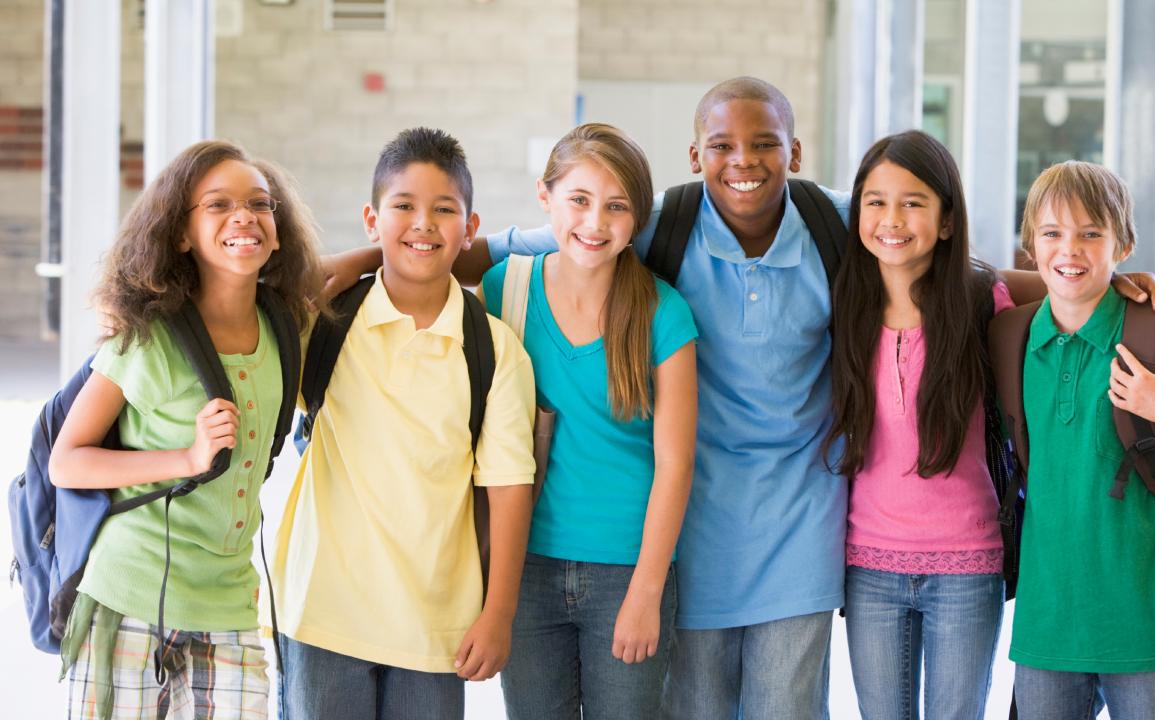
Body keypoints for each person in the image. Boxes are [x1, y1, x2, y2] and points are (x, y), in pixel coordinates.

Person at [321, 77, 1155, 718]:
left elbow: (953, 262)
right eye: (722, 146)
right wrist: (343, 265)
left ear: (795, 153)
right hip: (692, 532)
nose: (744, 161)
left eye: (765, 143)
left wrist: (1104, 284)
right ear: (696, 156)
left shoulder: (837, 219)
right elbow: (480, 245)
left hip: (802, 527)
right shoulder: (658, 224)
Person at [48, 140, 325, 719]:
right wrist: (187, 456)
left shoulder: (287, 325)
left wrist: (394, 246)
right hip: (128, 595)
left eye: (260, 204)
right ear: (181, 233)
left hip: (228, 602)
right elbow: (67, 460)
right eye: (218, 205)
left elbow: (333, 279)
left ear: (277, 232)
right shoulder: (146, 338)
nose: (244, 216)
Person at [271, 127, 536, 720]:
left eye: (444, 210)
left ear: (469, 228)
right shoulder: (331, 324)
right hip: (323, 612)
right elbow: (260, 291)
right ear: (372, 218)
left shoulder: (493, 348)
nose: (424, 224)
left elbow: (511, 488)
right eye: (403, 208)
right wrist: (363, 259)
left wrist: (499, 613)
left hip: (435, 625)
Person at [1005, 161, 1155, 719]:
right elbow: (962, 272)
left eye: (1092, 233)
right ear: (1031, 245)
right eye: (1053, 233)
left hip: (1147, 626)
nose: (1071, 249)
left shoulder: (1154, 332)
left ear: (1124, 244)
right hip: (1048, 625)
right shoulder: (1014, 337)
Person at [481, 123, 697, 719]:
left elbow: (675, 465)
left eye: (616, 206)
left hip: (627, 570)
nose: (595, 223)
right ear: (544, 197)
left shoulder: (663, 312)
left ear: (638, 220)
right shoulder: (505, 292)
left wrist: (647, 593)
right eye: (579, 199)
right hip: (524, 568)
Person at [825, 130, 1010, 719]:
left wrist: (1128, 285)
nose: (892, 218)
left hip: (968, 563)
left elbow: (1064, 291)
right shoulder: (842, 303)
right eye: (875, 201)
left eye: (914, 202)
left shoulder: (983, 302)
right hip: (869, 564)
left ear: (947, 220)